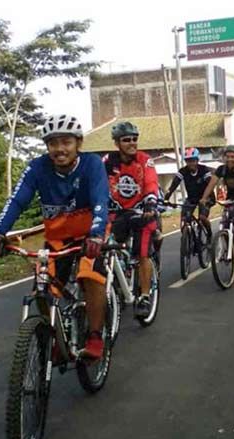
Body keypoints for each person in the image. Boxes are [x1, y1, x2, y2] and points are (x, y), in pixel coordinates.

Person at [0, 114, 109, 361]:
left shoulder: (92, 164)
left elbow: (100, 200)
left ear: (78, 143)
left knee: (91, 275)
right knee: (43, 287)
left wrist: (95, 236)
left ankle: (95, 335)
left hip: (89, 235)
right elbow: (17, 200)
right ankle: (55, 335)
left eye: (66, 142)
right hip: (57, 238)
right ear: (47, 147)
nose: (60, 149)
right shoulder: (37, 167)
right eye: (53, 143)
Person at [103, 121, 160, 319]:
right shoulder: (108, 162)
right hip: (117, 212)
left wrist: (151, 203)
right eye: (127, 140)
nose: (132, 143)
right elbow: (98, 185)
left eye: (134, 139)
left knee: (142, 252)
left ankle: (144, 296)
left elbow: (151, 183)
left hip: (141, 211)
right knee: (104, 245)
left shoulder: (145, 160)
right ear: (117, 143)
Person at [164, 147, 216, 242]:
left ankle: (209, 234)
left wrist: (208, 199)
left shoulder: (204, 170)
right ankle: (187, 237)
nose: (190, 163)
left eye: (192, 161)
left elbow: (210, 184)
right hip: (192, 198)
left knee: (202, 217)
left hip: (206, 198)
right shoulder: (183, 171)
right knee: (184, 219)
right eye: (188, 161)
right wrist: (166, 198)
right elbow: (174, 185)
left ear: (197, 160)